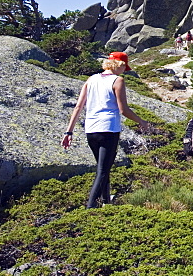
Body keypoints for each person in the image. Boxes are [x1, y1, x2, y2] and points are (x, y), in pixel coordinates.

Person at [62, 52, 150, 208]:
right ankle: (90, 208)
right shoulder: (118, 80)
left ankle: (106, 201)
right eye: (124, 67)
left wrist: (69, 132)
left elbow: (78, 106)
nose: (124, 71)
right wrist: (141, 121)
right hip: (108, 129)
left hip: (91, 129)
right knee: (103, 170)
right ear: (120, 65)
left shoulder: (91, 79)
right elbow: (124, 110)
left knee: (103, 167)